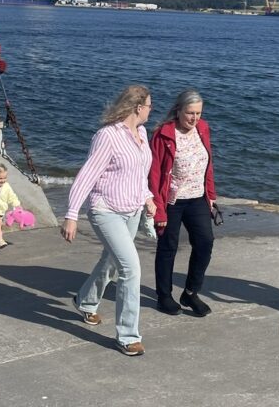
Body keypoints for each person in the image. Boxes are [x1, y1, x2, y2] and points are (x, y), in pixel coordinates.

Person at [60, 85, 156, 357]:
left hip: (132, 209)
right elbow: (87, 175)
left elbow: (138, 174)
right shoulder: (107, 136)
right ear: (138, 107)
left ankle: (86, 301)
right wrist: (71, 215)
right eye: (149, 105)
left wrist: (148, 197)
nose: (151, 110)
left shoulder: (142, 134)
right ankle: (127, 336)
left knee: (111, 262)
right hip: (105, 210)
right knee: (131, 269)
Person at [148, 89, 217, 317]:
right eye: (190, 113)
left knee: (205, 243)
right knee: (168, 247)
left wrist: (211, 196)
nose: (194, 118)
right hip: (171, 200)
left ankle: (190, 293)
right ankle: (164, 296)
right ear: (178, 111)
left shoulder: (203, 129)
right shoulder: (163, 134)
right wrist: (158, 209)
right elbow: (154, 174)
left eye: (198, 113)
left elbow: (207, 164)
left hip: (197, 198)